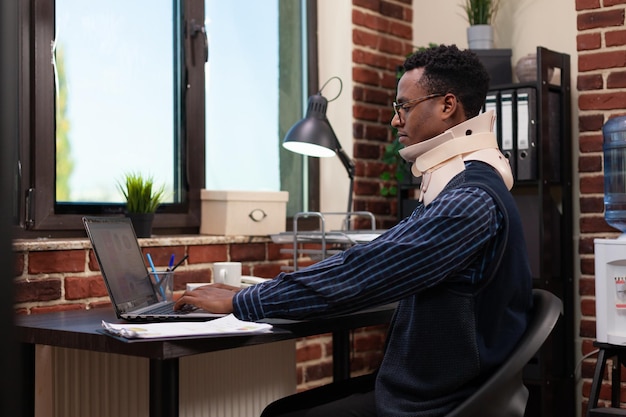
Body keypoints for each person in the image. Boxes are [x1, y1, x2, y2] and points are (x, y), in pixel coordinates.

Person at [174, 44, 533, 417]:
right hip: (431, 388)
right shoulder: (465, 185)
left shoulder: (468, 200)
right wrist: (260, 293)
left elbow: (365, 271)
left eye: (404, 107)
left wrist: (243, 301)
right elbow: (376, 259)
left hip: (435, 403)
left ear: (447, 105)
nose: (396, 120)